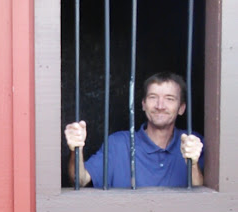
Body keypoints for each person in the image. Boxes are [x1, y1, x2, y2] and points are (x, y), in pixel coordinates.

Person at [65, 72, 204, 188]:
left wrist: (193, 164)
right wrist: (76, 149)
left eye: (169, 99)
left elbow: (202, 196)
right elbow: (80, 180)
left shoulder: (191, 143)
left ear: (181, 108)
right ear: (143, 104)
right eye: (153, 97)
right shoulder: (118, 144)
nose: (160, 106)